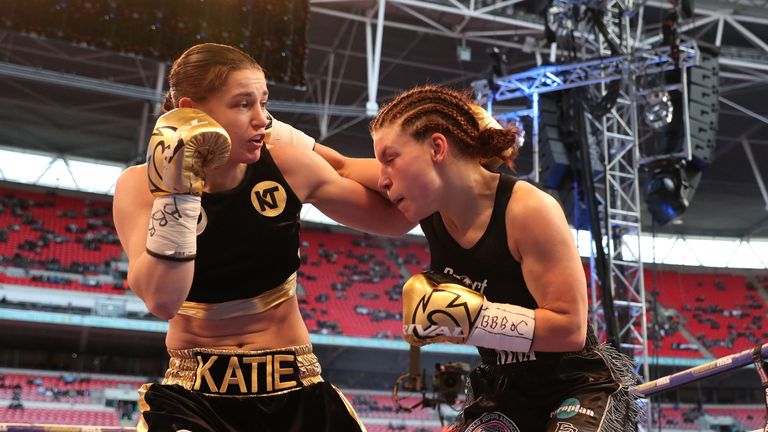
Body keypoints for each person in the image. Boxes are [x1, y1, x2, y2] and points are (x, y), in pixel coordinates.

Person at [113, 43, 413, 432]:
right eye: (243, 105)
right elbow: (163, 299)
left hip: (297, 388)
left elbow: (395, 216)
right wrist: (179, 190)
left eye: (263, 102)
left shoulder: (288, 163)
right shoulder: (139, 186)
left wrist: (454, 170)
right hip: (194, 399)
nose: (262, 119)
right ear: (191, 111)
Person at [369, 85, 640, 432]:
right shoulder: (424, 199)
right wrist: (286, 139)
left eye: (389, 159)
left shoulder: (529, 209)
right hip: (502, 391)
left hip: (574, 386)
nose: (381, 180)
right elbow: (334, 175)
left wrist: (474, 320)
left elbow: (570, 330)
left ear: (437, 147)